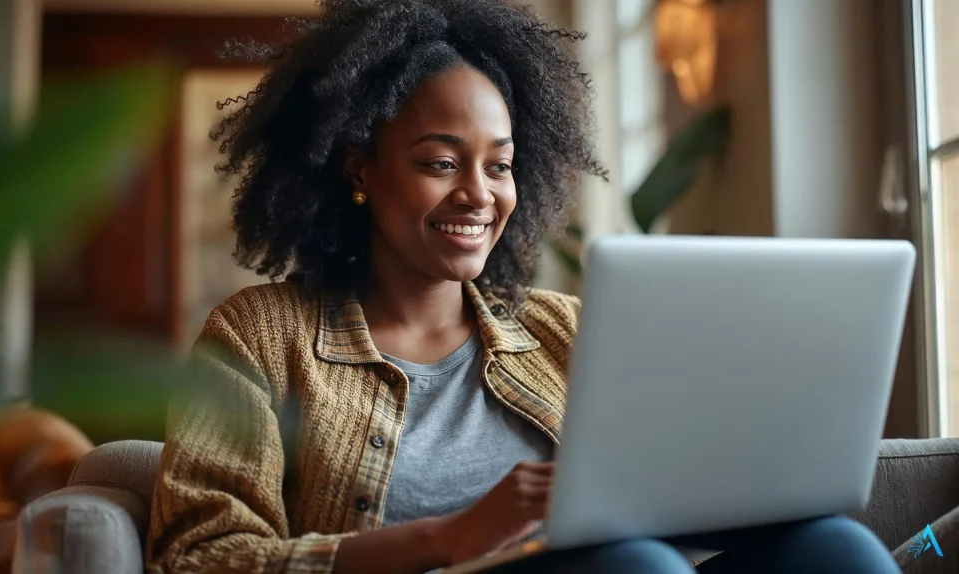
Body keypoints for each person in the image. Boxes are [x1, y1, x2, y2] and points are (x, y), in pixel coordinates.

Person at [145, 1, 900, 572]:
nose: (479, 194)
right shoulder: (259, 335)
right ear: (359, 172)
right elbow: (198, 554)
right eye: (441, 162)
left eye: (499, 164)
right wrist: (454, 535)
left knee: (834, 547)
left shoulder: (564, 330)